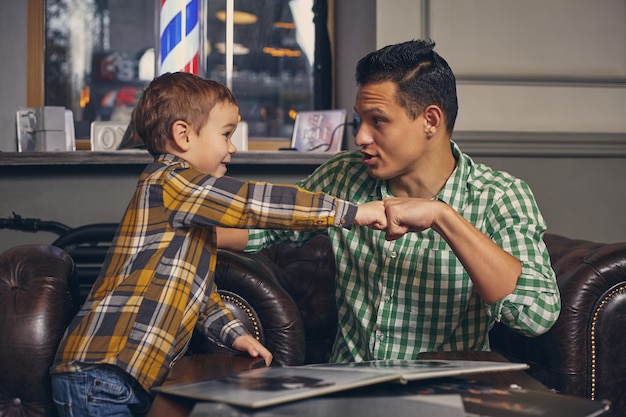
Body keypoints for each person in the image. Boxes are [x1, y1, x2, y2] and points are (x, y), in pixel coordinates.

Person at [50, 72, 387, 417]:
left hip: (122, 377)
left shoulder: (187, 209)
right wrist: (352, 211)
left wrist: (235, 335)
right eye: (226, 134)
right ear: (183, 135)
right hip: (101, 373)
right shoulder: (171, 181)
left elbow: (199, 294)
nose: (232, 147)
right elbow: (252, 202)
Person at [230, 39, 561, 363]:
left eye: (378, 120)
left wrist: (443, 217)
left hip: (445, 394)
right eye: (360, 120)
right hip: (349, 389)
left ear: (430, 120)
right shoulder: (343, 175)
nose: (360, 137)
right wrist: (185, 220)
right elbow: (260, 228)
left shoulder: (500, 196)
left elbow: (535, 316)